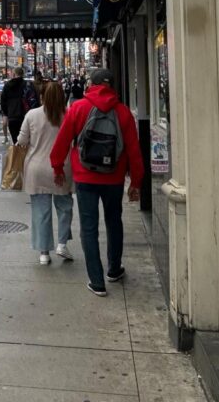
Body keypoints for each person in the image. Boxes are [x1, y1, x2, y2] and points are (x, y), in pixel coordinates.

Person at [50, 68, 144, 296]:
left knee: (89, 228)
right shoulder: (123, 113)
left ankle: (96, 281)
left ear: (90, 84)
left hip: (85, 178)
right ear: (112, 85)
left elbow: (61, 143)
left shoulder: (79, 108)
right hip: (114, 178)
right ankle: (114, 269)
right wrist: (136, 182)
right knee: (114, 222)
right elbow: (134, 151)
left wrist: (57, 167)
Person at [17, 80, 73, 265]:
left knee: (41, 212)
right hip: (62, 168)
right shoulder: (69, 115)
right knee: (65, 208)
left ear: (42, 96)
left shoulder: (32, 115)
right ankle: (62, 244)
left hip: (37, 168)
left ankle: (44, 253)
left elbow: (22, 140)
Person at [0, 67, 27, 144]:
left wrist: (6, 113)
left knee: (15, 140)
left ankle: (17, 154)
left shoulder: (7, 85)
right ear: (23, 74)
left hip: (12, 115)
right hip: (24, 115)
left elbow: (3, 101)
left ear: (14, 74)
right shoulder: (26, 85)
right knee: (26, 140)